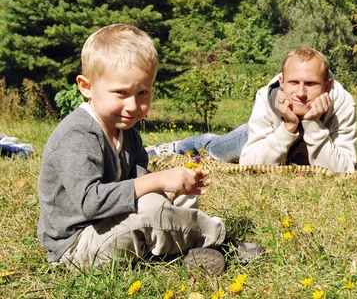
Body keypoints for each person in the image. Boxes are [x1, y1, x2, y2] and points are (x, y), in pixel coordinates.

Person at [37, 24, 260, 274]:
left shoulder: (128, 133)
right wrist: (158, 180)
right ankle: (221, 242)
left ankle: (188, 251)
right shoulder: (77, 134)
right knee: (152, 213)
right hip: (78, 246)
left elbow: (141, 185)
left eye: (143, 92)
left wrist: (170, 188)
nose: (133, 106)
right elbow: (91, 202)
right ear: (86, 86)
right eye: (121, 93)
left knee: (170, 201)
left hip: (111, 224)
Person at [147, 48, 357, 174]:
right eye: (294, 83)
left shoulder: (343, 105)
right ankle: (177, 145)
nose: (300, 93)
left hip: (308, 138)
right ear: (282, 83)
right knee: (215, 149)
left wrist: (312, 125)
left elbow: (345, 170)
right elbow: (251, 164)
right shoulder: (266, 98)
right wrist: (288, 127)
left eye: (310, 84)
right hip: (266, 134)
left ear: (327, 86)